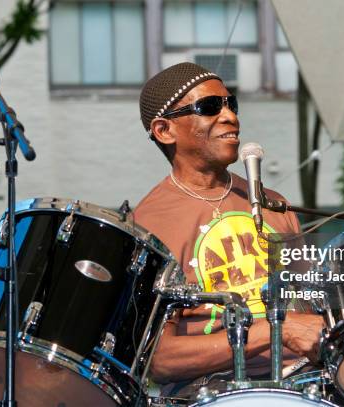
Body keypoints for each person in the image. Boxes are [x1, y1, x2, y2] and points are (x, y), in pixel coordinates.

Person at [134, 62, 324, 396]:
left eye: (230, 104)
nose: (230, 117)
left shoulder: (273, 203)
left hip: (304, 382)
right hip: (212, 391)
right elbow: (159, 359)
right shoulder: (149, 224)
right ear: (165, 130)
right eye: (209, 107)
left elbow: (313, 306)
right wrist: (277, 330)